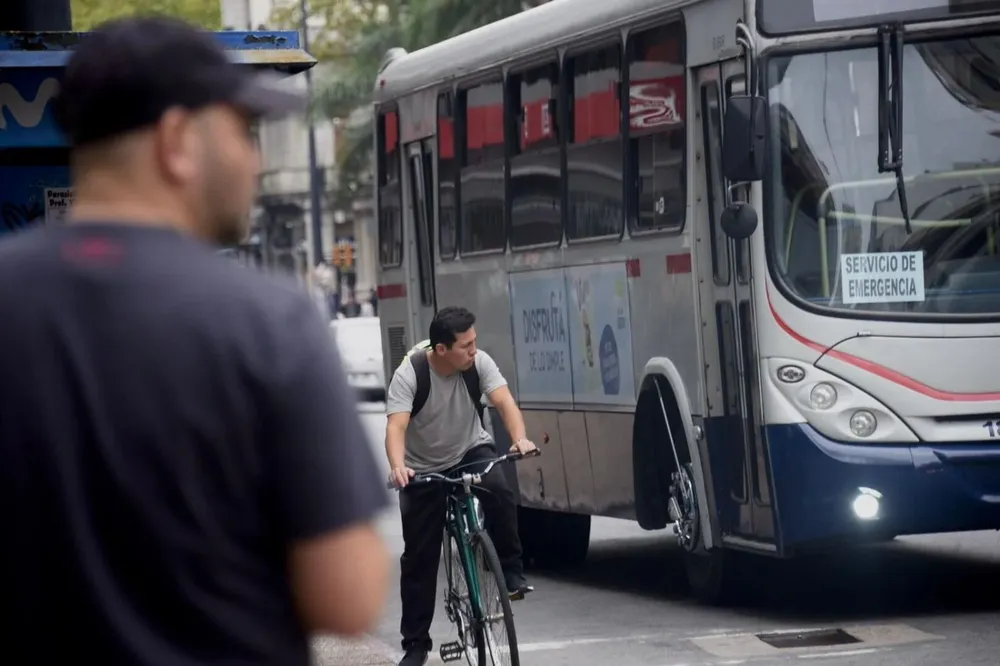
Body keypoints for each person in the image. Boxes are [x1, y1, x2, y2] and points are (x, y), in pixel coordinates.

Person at [0, 16, 390, 666]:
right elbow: (345, 597)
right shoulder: (269, 322)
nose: (254, 159)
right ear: (176, 139)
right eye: (242, 131)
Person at [385, 306, 537, 666]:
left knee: (499, 489)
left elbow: (504, 402)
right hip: (422, 468)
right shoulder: (411, 374)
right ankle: (416, 645)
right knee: (419, 558)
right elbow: (396, 428)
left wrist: (519, 439)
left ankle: (511, 570)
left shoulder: (478, 364)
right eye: (465, 345)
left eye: (475, 342)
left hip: (470, 448)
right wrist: (398, 467)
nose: (474, 350)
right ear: (441, 350)